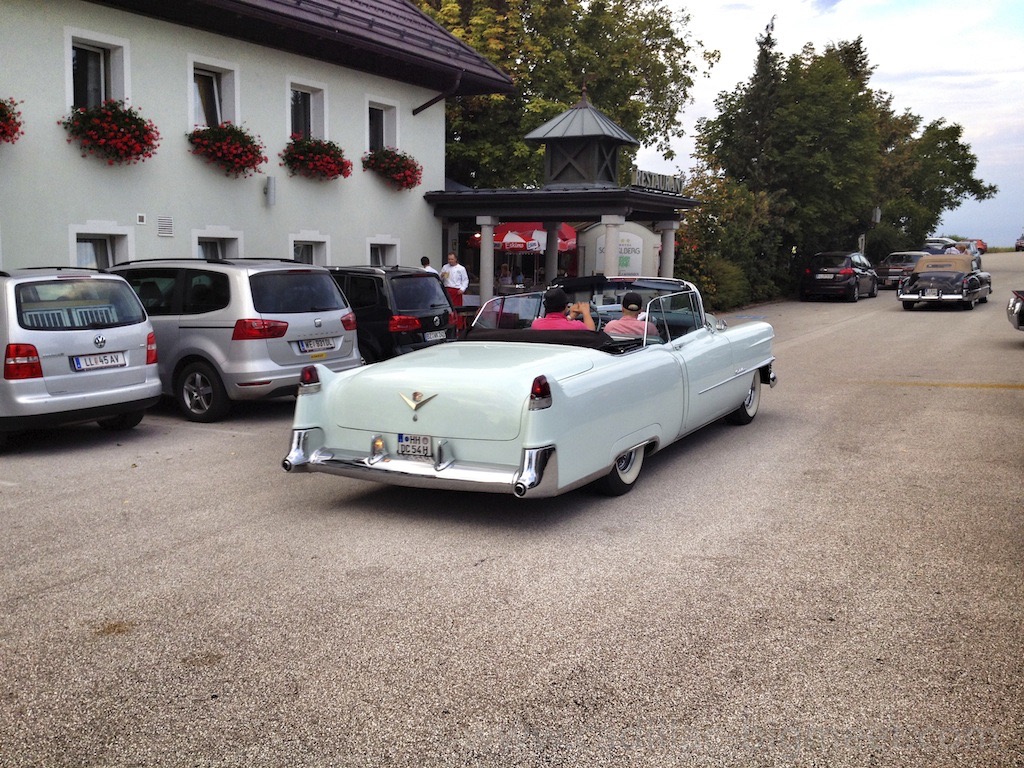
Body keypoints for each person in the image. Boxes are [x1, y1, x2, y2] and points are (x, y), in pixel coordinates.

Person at [531, 287, 595, 331]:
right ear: (566, 306)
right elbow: (591, 334)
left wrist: (570, 317)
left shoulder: (536, 324)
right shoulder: (576, 326)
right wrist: (586, 313)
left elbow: (556, 324)